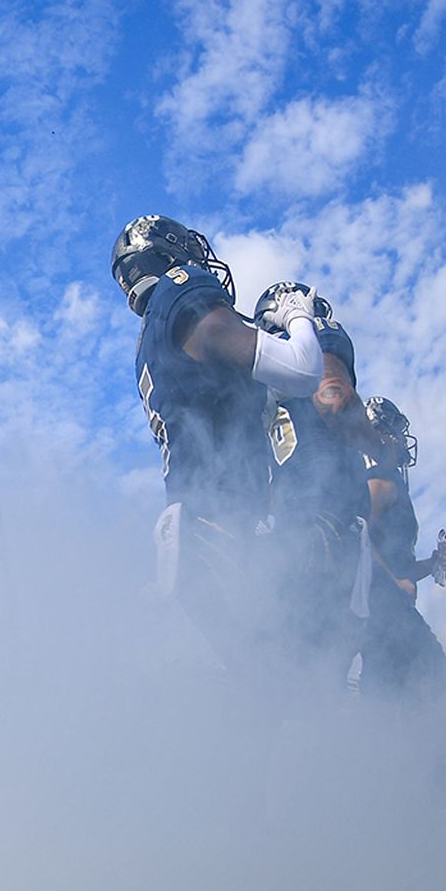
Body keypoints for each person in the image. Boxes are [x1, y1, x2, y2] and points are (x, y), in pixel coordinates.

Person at [111, 215, 326, 663]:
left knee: (263, 693)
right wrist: (298, 317)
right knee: (285, 683)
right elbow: (303, 371)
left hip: (197, 532)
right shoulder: (183, 288)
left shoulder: (152, 337)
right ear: (170, 254)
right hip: (217, 532)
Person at [257, 283, 376, 689]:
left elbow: (332, 390)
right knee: (308, 663)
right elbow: (332, 395)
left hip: (311, 518)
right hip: (314, 516)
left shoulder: (300, 352)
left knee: (303, 658)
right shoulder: (306, 351)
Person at [360, 396, 446, 698]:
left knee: (389, 688)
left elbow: (402, 568)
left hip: (387, 603)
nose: (402, 438)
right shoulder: (380, 480)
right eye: (395, 428)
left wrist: (430, 563)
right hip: (381, 604)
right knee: (431, 668)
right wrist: (392, 580)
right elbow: (360, 537)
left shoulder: (392, 481)